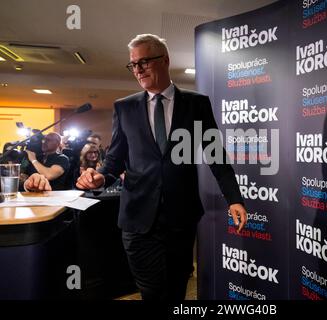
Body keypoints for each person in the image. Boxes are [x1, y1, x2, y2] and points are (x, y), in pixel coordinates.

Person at [76, 34, 247, 300]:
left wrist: (234, 199)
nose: (138, 70)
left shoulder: (196, 104)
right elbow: (115, 160)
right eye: (133, 64)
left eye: (144, 62)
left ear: (165, 60)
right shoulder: (124, 107)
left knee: (177, 288)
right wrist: (100, 176)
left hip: (181, 219)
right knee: (153, 292)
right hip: (138, 220)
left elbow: (216, 156)